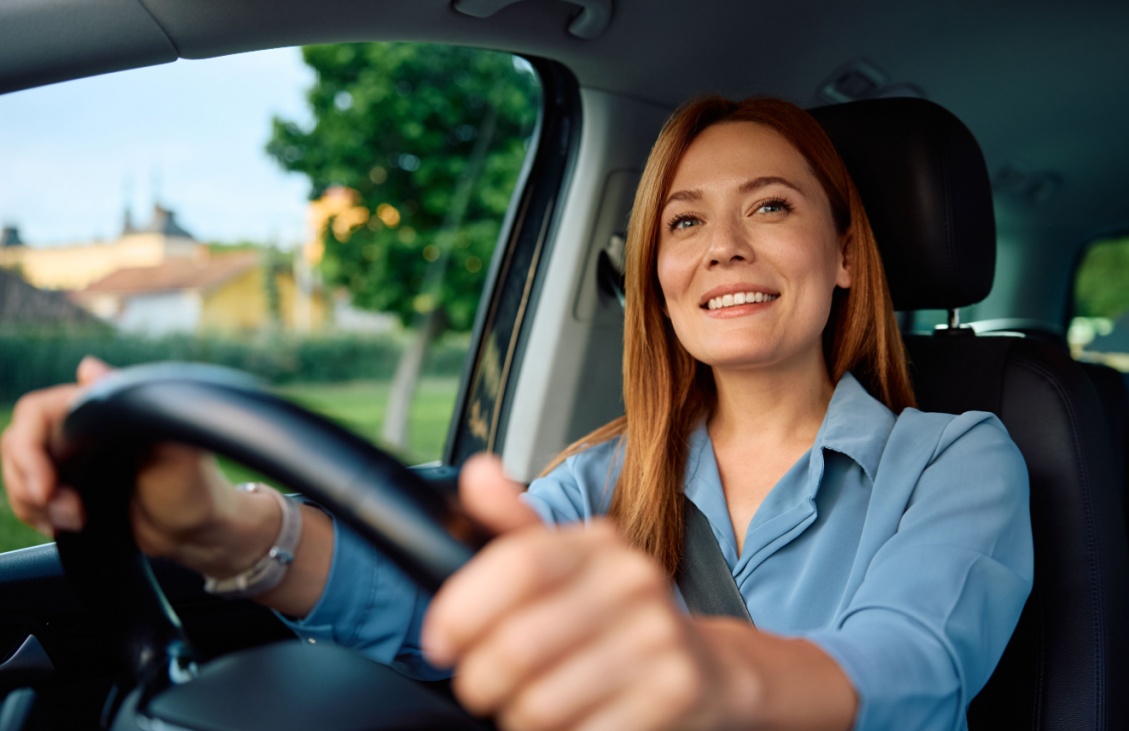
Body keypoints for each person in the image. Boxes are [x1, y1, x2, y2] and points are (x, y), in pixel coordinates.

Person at [1, 96, 1032, 731]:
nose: (721, 246)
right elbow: (428, 598)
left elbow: (909, 664)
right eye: (682, 220)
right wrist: (229, 526)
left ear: (847, 256)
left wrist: (705, 678)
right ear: (659, 277)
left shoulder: (953, 455)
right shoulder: (600, 478)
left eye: (769, 204)